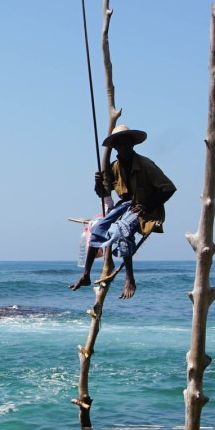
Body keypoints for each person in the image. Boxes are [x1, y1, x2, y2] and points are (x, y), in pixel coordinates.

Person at [69, 124, 176, 299]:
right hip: (124, 206)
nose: (123, 148)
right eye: (119, 145)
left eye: (126, 144)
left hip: (145, 209)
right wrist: (98, 183)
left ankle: (129, 279)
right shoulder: (114, 167)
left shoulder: (145, 164)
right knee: (96, 229)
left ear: (132, 145)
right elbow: (103, 193)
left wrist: (147, 205)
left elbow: (169, 188)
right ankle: (86, 274)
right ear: (115, 147)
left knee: (121, 230)